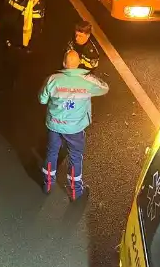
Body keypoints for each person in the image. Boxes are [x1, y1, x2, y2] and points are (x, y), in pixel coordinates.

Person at [38, 50, 109, 199]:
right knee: (75, 156)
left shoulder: (53, 79)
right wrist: (87, 76)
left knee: (52, 153)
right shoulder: (86, 81)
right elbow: (104, 87)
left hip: (54, 125)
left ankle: (48, 184)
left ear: (64, 63)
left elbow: (42, 100)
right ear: (79, 64)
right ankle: (76, 191)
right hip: (75, 128)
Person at [0, 0, 44, 87]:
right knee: (1, 55)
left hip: (20, 39)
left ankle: (9, 85)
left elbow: (37, 26)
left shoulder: (36, 2)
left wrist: (31, 45)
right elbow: (0, 4)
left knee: (14, 63)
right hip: (5, 31)